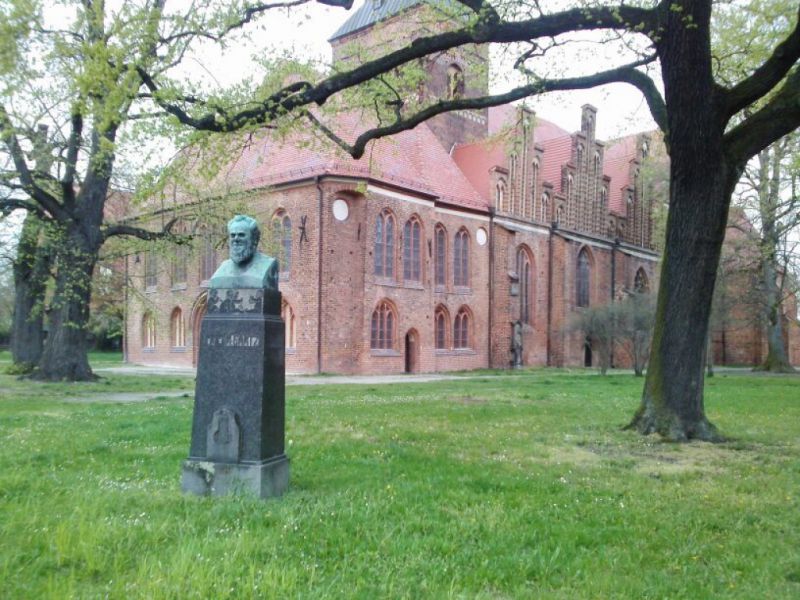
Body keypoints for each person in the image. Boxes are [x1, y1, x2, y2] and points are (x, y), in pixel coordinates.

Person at [209, 215, 279, 289]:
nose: (236, 239)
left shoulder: (267, 264)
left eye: (241, 235)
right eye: (232, 235)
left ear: (254, 240)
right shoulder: (223, 269)